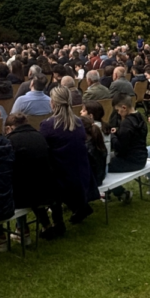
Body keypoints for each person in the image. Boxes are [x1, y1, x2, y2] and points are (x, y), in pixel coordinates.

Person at [0, 112, 54, 250]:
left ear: (9, 128)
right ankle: (25, 230)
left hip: (24, 195)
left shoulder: (9, 142)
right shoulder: (40, 136)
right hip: (47, 190)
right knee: (23, 183)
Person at [39, 86, 95, 237]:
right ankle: (77, 208)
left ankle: (56, 223)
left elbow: (42, 150)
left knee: (45, 177)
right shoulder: (78, 122)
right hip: (81, 172)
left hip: (62, 177)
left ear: (53, 103)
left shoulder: (48, 125)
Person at [105, 92, 147, 204]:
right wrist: (118, 132)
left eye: (118, 111)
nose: (118, 114)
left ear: (124, 107)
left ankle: (117, 192)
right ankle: (112, 192)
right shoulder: (140, 117)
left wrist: (112, 136)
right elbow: (132, 137)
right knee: (105, 160)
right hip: (141, 157)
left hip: (130, 161)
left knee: (100, 164)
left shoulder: (126, 124)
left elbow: (120, 148)